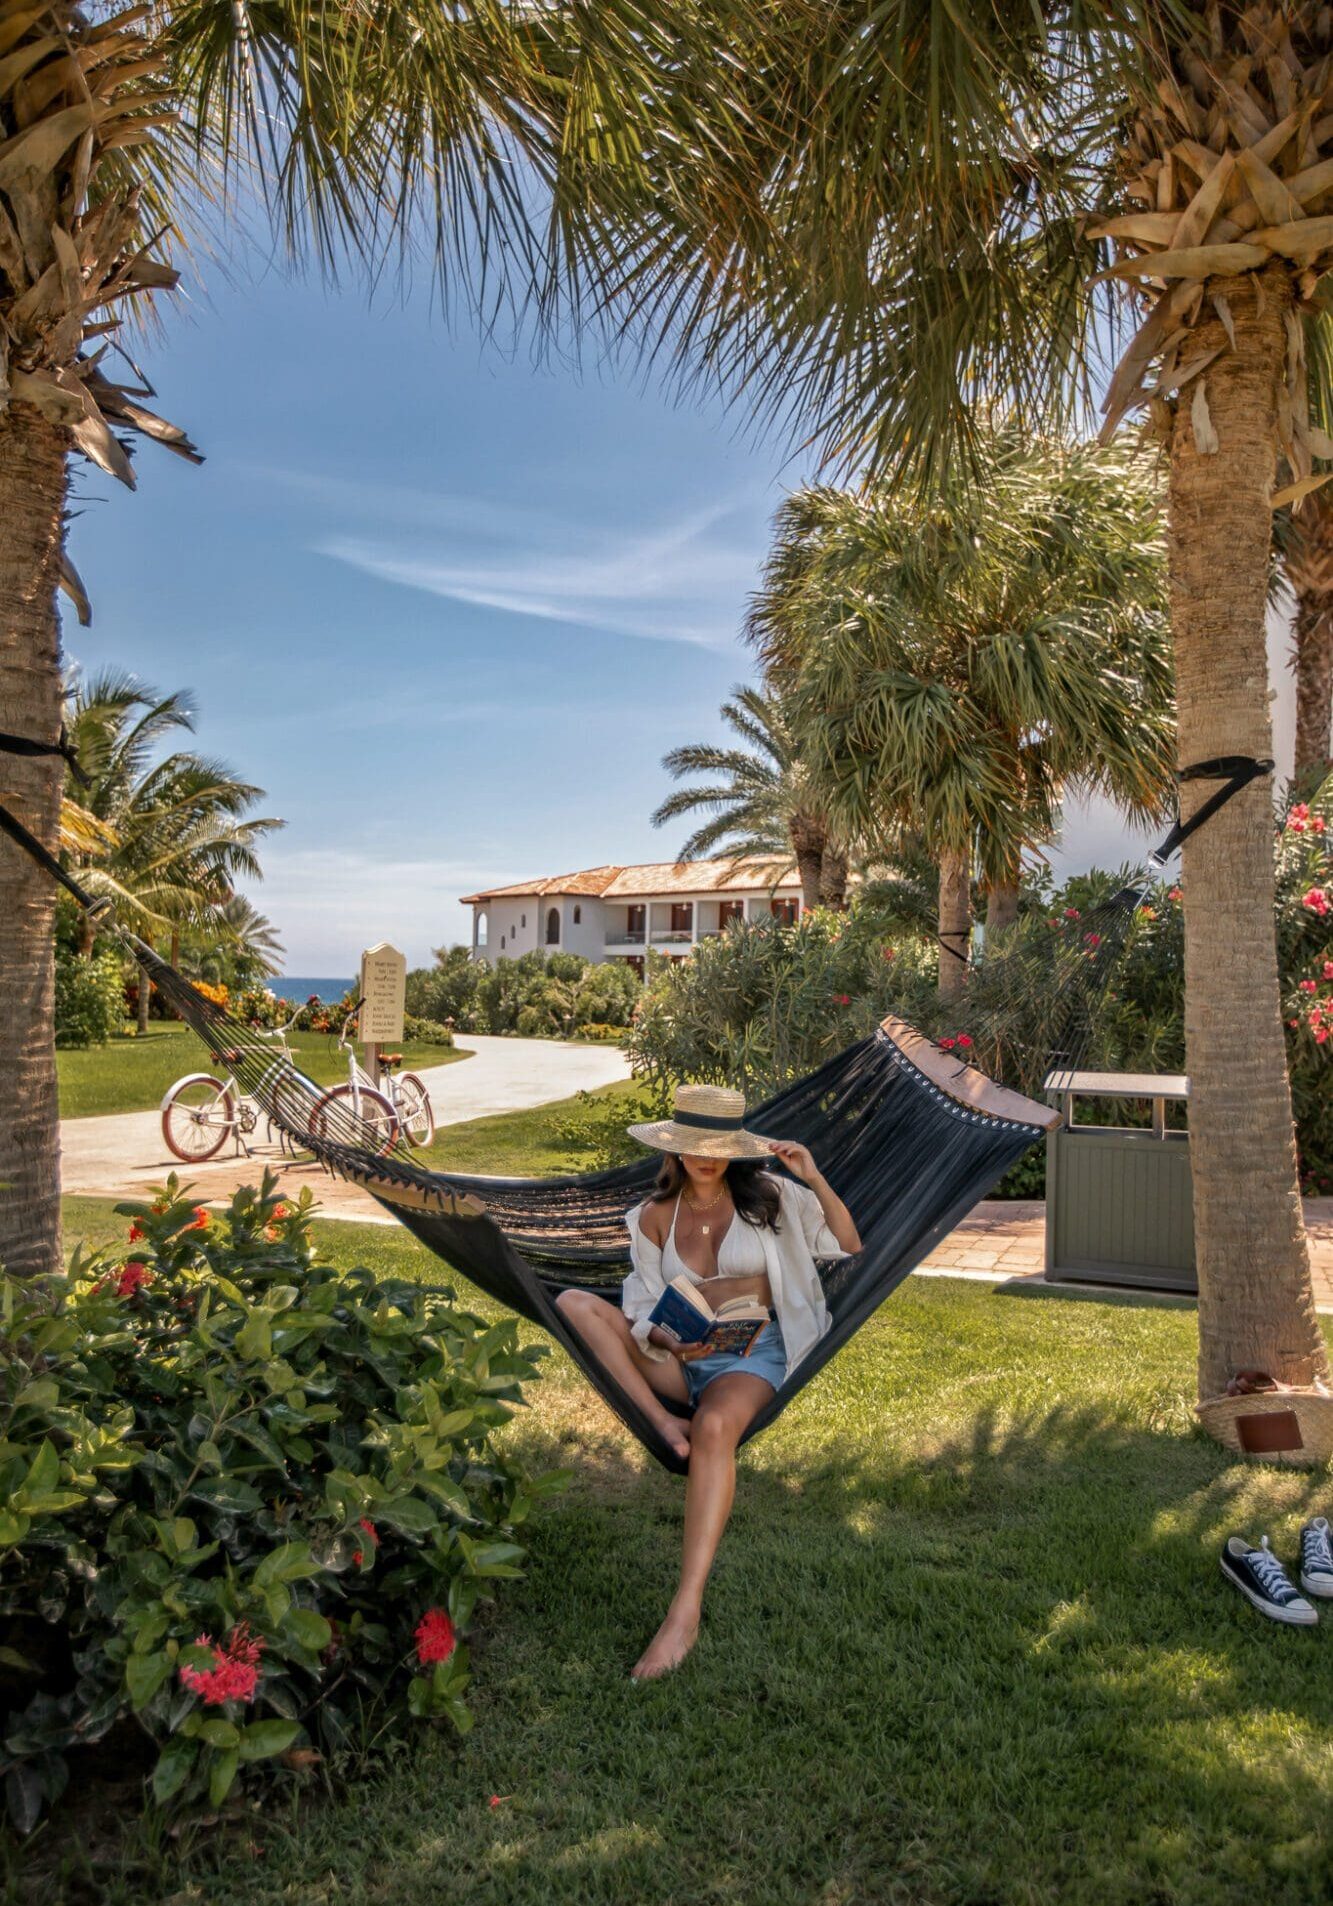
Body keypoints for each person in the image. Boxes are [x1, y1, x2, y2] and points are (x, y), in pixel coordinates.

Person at [555, 1083, 861, 1680]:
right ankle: (663, 1420)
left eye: (720, 1145)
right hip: (680, 1360)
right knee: (573, 1303)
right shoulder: (652, 1217)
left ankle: (684, 1611)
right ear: (676, 1148)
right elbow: (642, 1305)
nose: (707, 1156)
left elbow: (848, 1245)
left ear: (735, 1150)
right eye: (696, 1143)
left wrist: (814, 1176)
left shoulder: (771, 1197)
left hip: (753, 1356)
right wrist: (666, 1338)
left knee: (718, 1425)